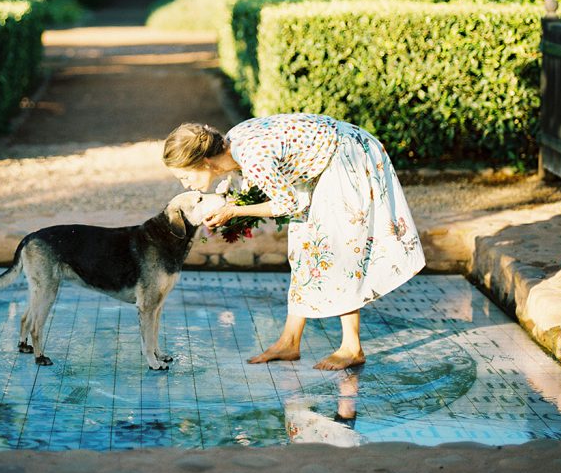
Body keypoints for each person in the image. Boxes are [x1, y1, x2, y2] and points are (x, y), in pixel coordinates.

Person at [163, 113, 425, 370]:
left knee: (336, 246)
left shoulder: (252, 156)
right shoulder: (232, 142)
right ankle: (289, 341)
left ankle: (351, 347)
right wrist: (232, 201)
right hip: (325, 165)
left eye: (185, 177)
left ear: (205, 161)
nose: (186, 185)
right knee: (304, 248)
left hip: (347, 158)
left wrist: (233, 211)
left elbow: (289, 203)